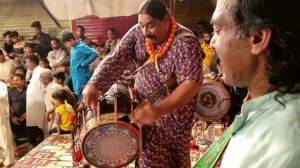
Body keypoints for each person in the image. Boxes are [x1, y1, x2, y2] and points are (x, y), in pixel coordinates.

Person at [82, 0, 202, 167]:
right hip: (143, 108)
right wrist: (94, 84)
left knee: (172, 159)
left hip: (173, 115)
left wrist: (158, 109)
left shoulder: (185, 43)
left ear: (166, 20)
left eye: (151, 25)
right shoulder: (138, 32)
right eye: (142, 25)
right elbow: (117, 57)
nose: (145, 31)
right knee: (145, 154)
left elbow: (191, 84)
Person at [209, 0, 300, 167]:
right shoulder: (261, 105)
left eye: (217, 31)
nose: (211, 43)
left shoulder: (284, 147)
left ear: (257, 38)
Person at [60, 32, 98, 100]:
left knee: (83, 94)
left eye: (66, 43)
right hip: (75, 75)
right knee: (78, 92)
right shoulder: (73, 47)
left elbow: (94, 53)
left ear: (72, 40)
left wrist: (84, 63)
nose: (66, 45)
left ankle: (88, 109)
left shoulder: (81, 46)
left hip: (82, 75)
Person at [25, 55, 46, 145]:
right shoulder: (34, 72)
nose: (26, 64)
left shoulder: (42, 71)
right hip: (34, 104)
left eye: (27, 62)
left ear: (32, 62)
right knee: (34, 123)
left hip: (40, 103)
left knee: (41, 125)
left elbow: (45, 86)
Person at [0, 81, 15, 166]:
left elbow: (2, 97)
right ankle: (1, 158)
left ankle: (9, 160)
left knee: (5, 138)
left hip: (2, 116)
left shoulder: (2, 85)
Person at [8, 74, 27, 141]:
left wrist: (27, 113)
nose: (15, 82)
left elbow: (33, 104)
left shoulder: (29, 90)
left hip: (27, 118)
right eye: (14, 80)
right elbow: (8, 105)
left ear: (23, 80)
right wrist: (13, 117)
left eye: (17, 80)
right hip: (14, 119)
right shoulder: (10, 90)